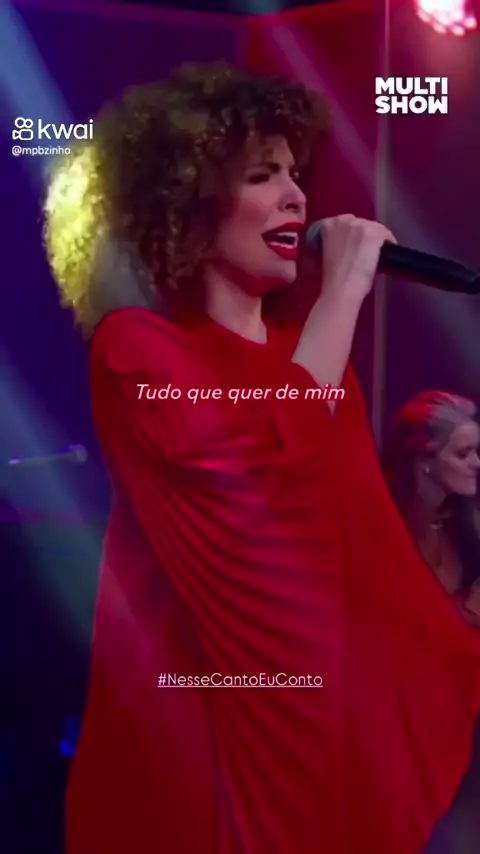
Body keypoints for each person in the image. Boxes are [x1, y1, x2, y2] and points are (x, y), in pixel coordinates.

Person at [43, 61, 480, 854]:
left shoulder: (310, 357)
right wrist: (342, 293)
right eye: (261, 175)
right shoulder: (137, 348)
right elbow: (268, 460)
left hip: (312, 739)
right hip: (195, 742)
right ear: (184, 205)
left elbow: (363, 553)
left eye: (295, 174)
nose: (296, 197)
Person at [383, 391, 480, 627]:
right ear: (425, 460)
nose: (477, 463)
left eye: (477, 452)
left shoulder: (466, 521)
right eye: (463, 454)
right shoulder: (389, 527)